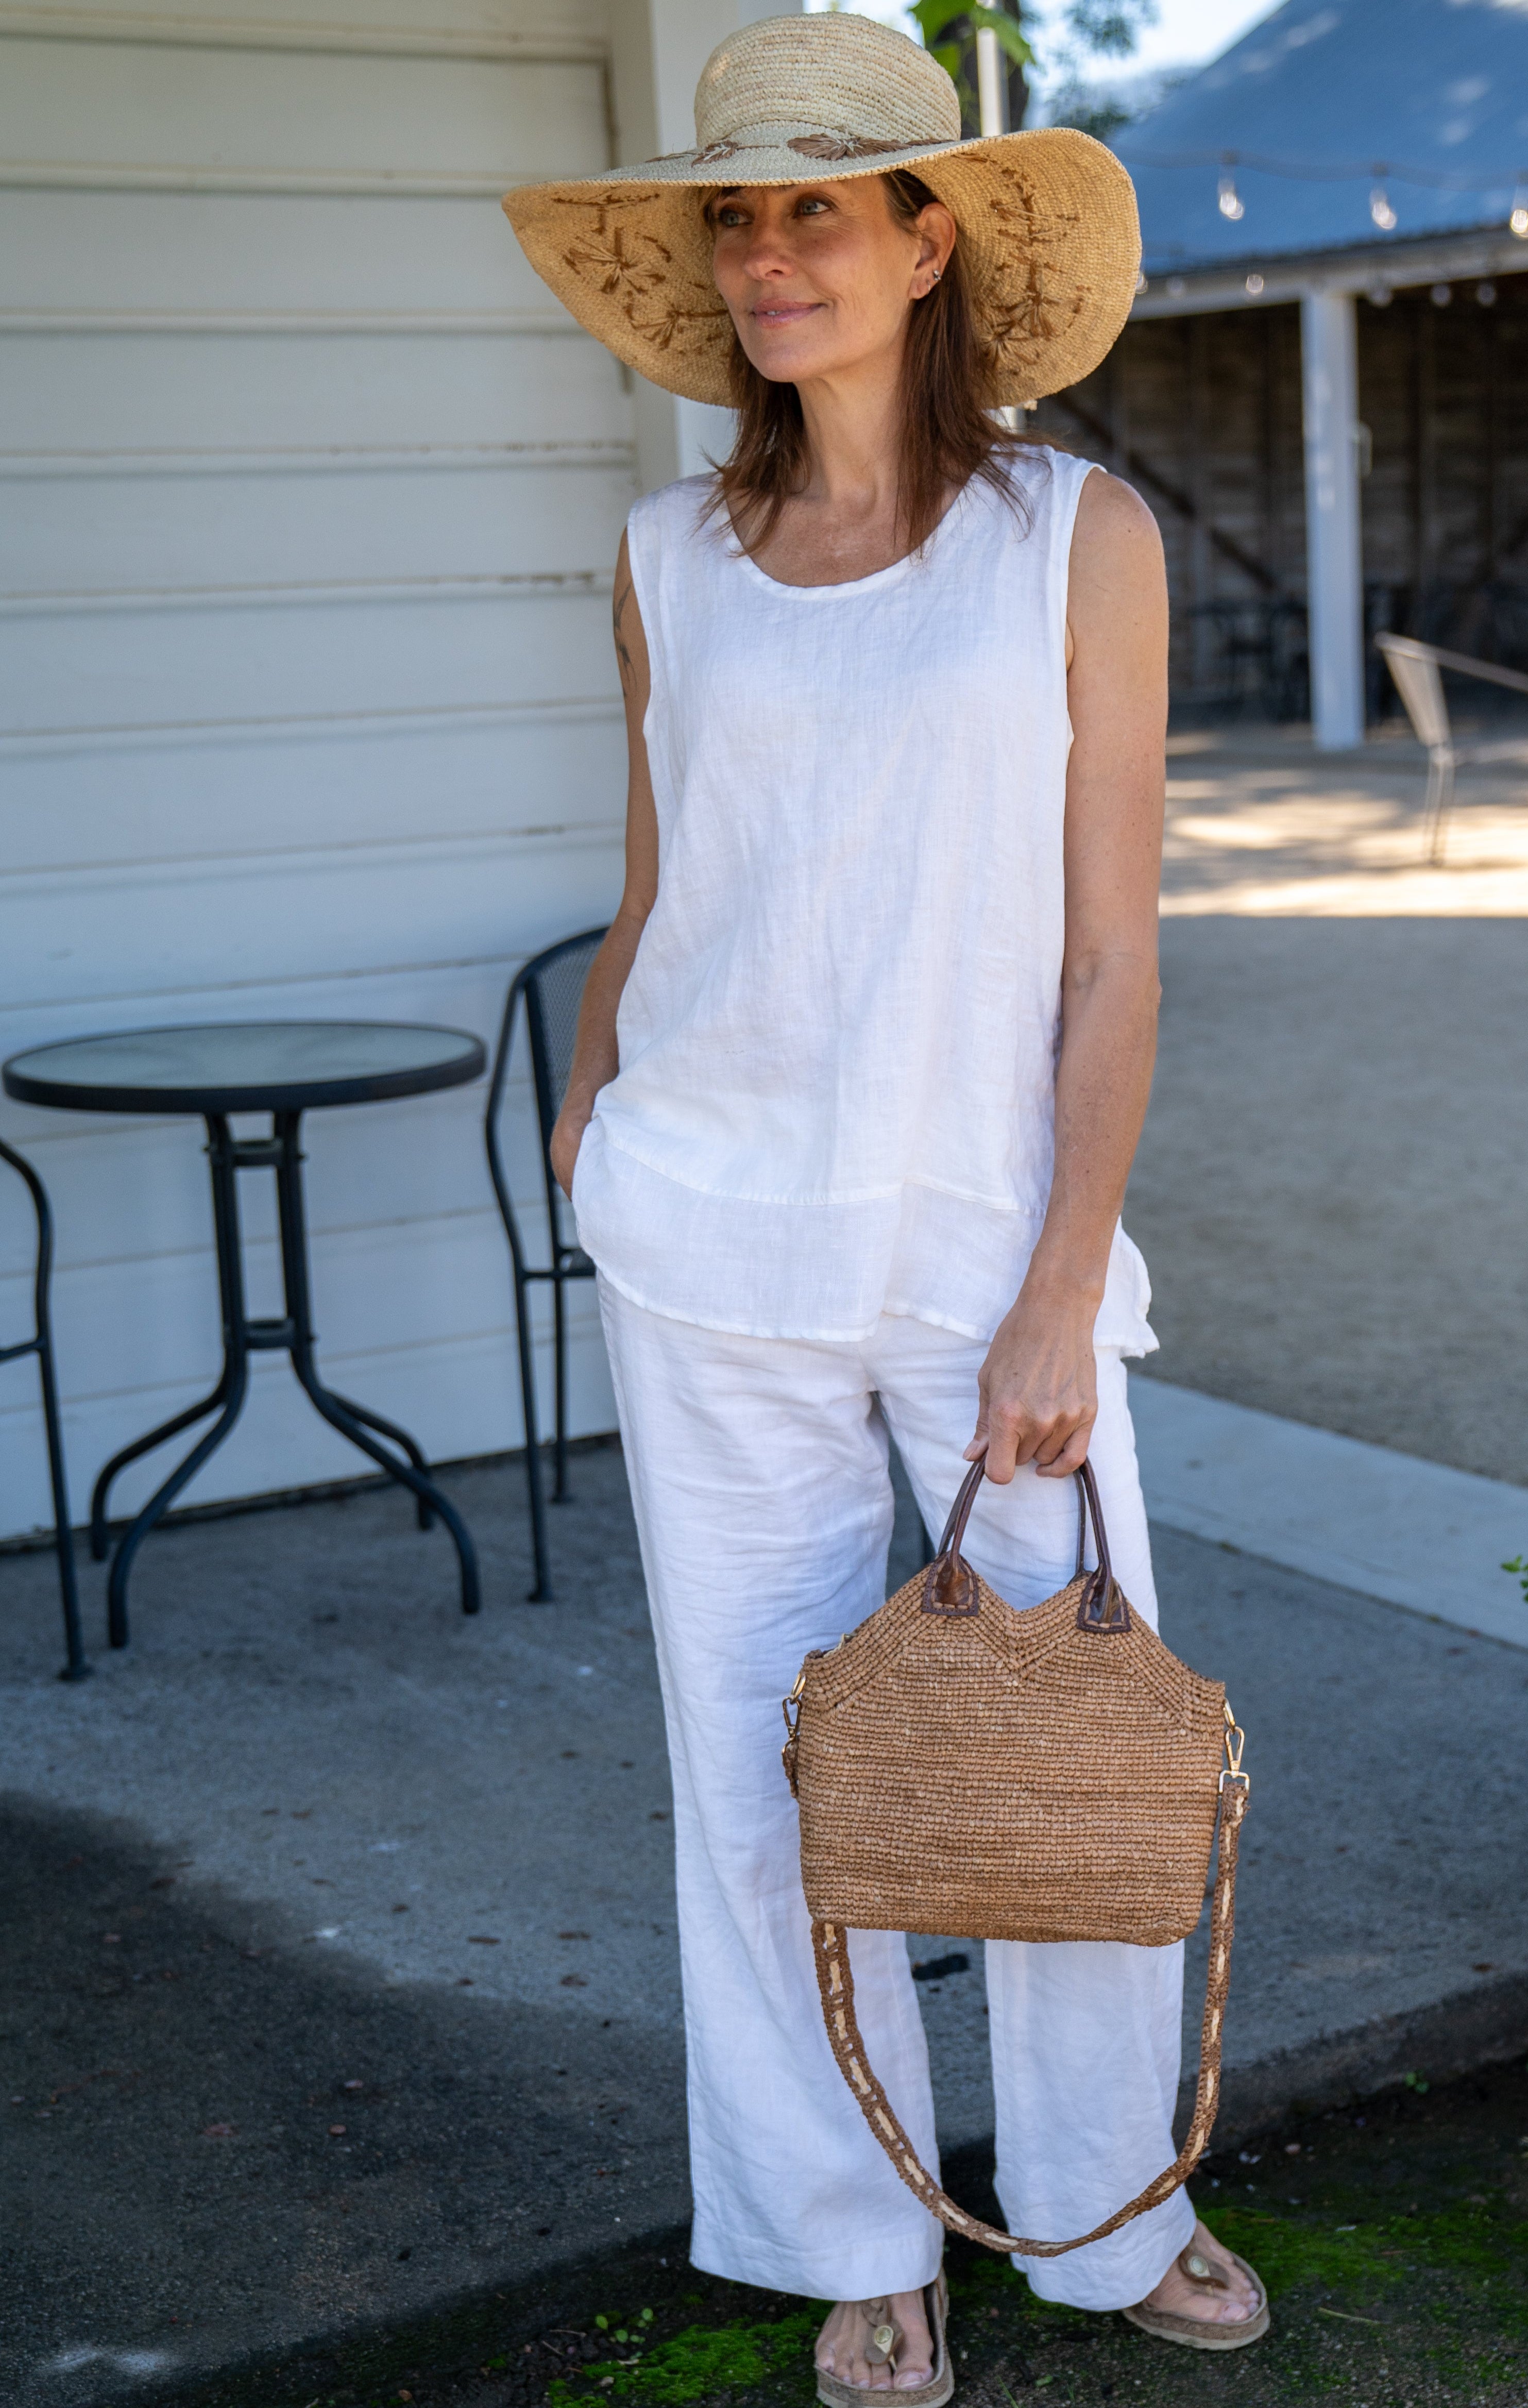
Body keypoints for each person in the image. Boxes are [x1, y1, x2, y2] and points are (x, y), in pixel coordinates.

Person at [502, 14, 1267, 2400]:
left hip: (973, 1246)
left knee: (1050, 1763)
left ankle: (1097, 2211)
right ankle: (853, 2227)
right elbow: (667, 885)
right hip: (700, 1240)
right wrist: (594, 1090)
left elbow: (1116, 951)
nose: (764, 255)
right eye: (731, 215)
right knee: (756, 1763)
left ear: (927, 240)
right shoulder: (662, 559)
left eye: (810, 208)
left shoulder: (1079, 537)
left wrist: (1062, 1287)